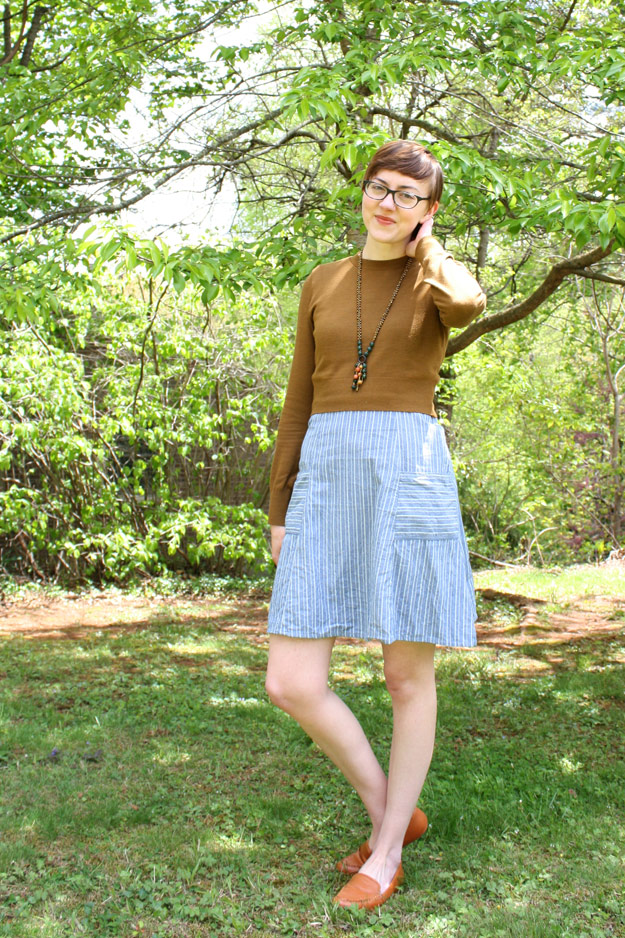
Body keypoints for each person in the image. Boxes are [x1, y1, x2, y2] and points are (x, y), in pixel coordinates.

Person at [264, 139, 486, 910]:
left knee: (403, 674)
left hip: (408, 472)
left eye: (407, 197)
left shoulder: (432, 280)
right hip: (326, 474)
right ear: (362, 192)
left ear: (426, 212)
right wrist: (278, 506)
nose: (386, 204)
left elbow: (468, 307)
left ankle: (386, 852)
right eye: (379, 188)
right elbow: (297, 400)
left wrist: (431, 251)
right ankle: (391, 808)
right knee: (290, 680)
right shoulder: (322, 282)